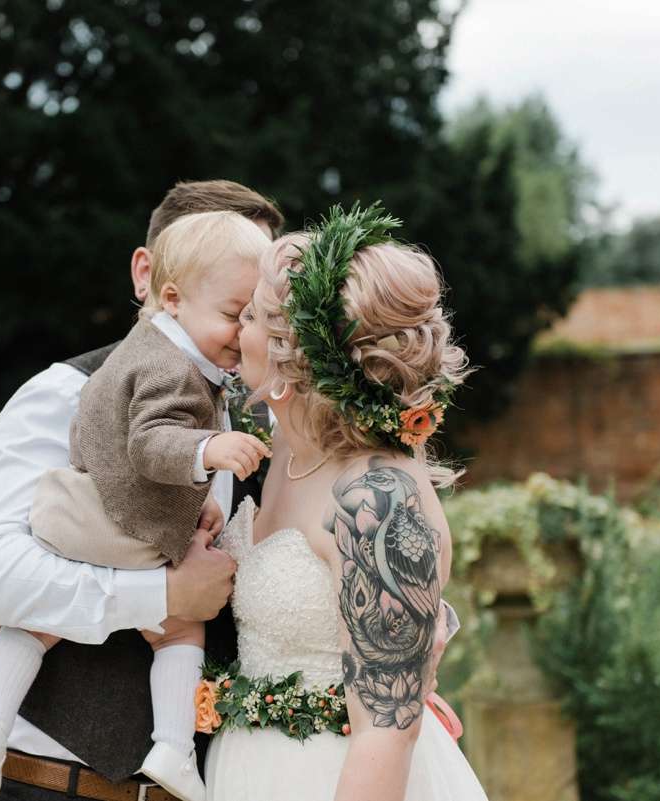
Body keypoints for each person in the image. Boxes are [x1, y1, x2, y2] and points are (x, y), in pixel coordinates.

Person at [0, 180, 284, 801]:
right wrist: (160, 596)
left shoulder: (266, 418)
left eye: (262, 304)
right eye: (236, 303)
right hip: (58, 786)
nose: (248, 326)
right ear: (150, 275)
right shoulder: (65, 393)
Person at [204, 204, 488, 800]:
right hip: (249, 772)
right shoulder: (279, 449)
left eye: (250, 315)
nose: (235, 331)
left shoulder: (378, 499)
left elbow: (387, 732)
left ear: (291, 356)